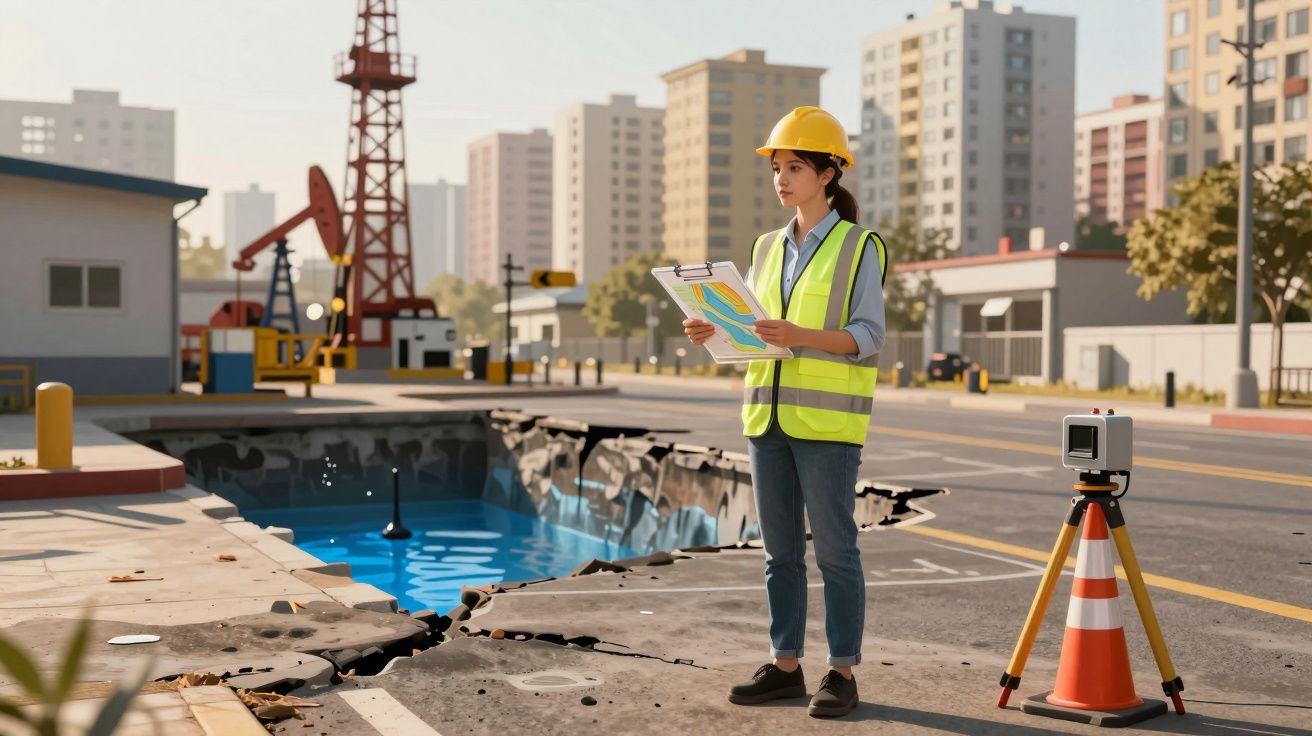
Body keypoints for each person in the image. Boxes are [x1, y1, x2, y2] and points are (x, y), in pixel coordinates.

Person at [683, 106, 888, 719]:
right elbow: (752, 329)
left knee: (835, 552)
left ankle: (842, 672)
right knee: (779, 555)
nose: (781, 177)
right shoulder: (766, 247)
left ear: (829, 173)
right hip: (765, 420)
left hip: (827, 425)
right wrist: (711, 328)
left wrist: (799, 334)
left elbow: (868, 336)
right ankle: (785, 666)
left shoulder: (859, 247)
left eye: (794, 166)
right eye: (777, 167)